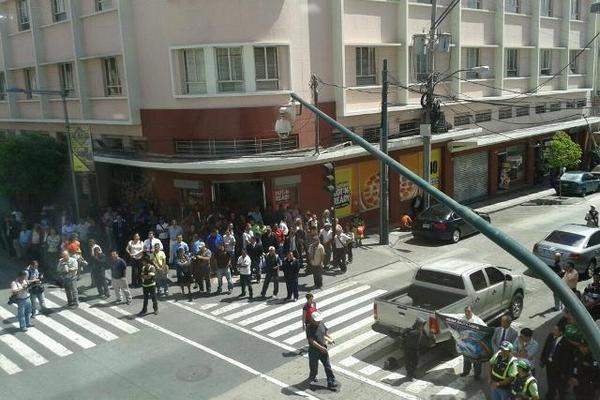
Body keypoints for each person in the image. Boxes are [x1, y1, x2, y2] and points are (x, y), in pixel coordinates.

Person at [540, 324, 573, 400]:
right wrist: (542, 359)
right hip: (549, 364)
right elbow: (546, 347)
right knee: (550, 381)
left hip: (558, 368)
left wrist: (564, 371)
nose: (553, 331)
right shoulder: (551, 336)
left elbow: (566, 359)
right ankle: (551, 394)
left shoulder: (566, 343)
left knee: (559, 384)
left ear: (561, 333)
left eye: (555, 330)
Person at [306, 312, 337, 389]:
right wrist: (321, 348)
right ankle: (313, 376)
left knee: (327, 366)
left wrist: (330, 338)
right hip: (314, 351)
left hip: (323, 350)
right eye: (316, 320)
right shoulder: (309, 328)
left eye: (319, 320)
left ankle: (331, 381)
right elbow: (312, 341)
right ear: (312, 320)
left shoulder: (321, 324)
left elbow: (325, 333)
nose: (318, 322)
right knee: (314, 366)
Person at [460, 305, 486, 379]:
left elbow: (485, 329)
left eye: (468, 311)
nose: (467, 313)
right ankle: (466, 372)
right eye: (466, 311)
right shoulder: (462, 319)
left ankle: (477, 375)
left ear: (472, 311)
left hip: (475, 344)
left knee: (476, 361)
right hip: (465, 343)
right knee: (466, 358)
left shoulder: (478, 320)